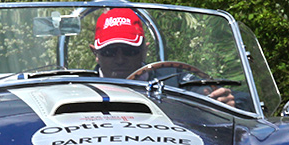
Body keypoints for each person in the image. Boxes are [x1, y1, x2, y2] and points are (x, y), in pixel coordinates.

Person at [89, 8, 235, 106]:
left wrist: (225, 101)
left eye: (129, 51)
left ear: (144, 50)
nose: (120, 60)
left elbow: (239, 99)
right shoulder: (79, 87)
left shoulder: (175, 80)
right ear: (96, 54)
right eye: (110, 52)